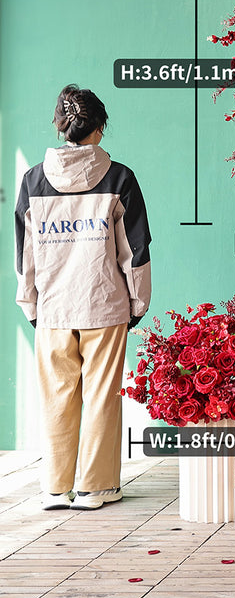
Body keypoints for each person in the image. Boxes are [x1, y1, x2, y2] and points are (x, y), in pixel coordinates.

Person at [14, 85, 151, 510]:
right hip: (104, 305)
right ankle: (96, 487)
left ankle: (56, 487)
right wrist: (137, 303)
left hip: (53, 309)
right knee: (101, 396)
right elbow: (136, 249)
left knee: (57, 396)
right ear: (100, 128)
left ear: (61, 125)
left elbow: (26, 255)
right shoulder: (119, 177)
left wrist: (31, 305)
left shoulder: (33, 180)